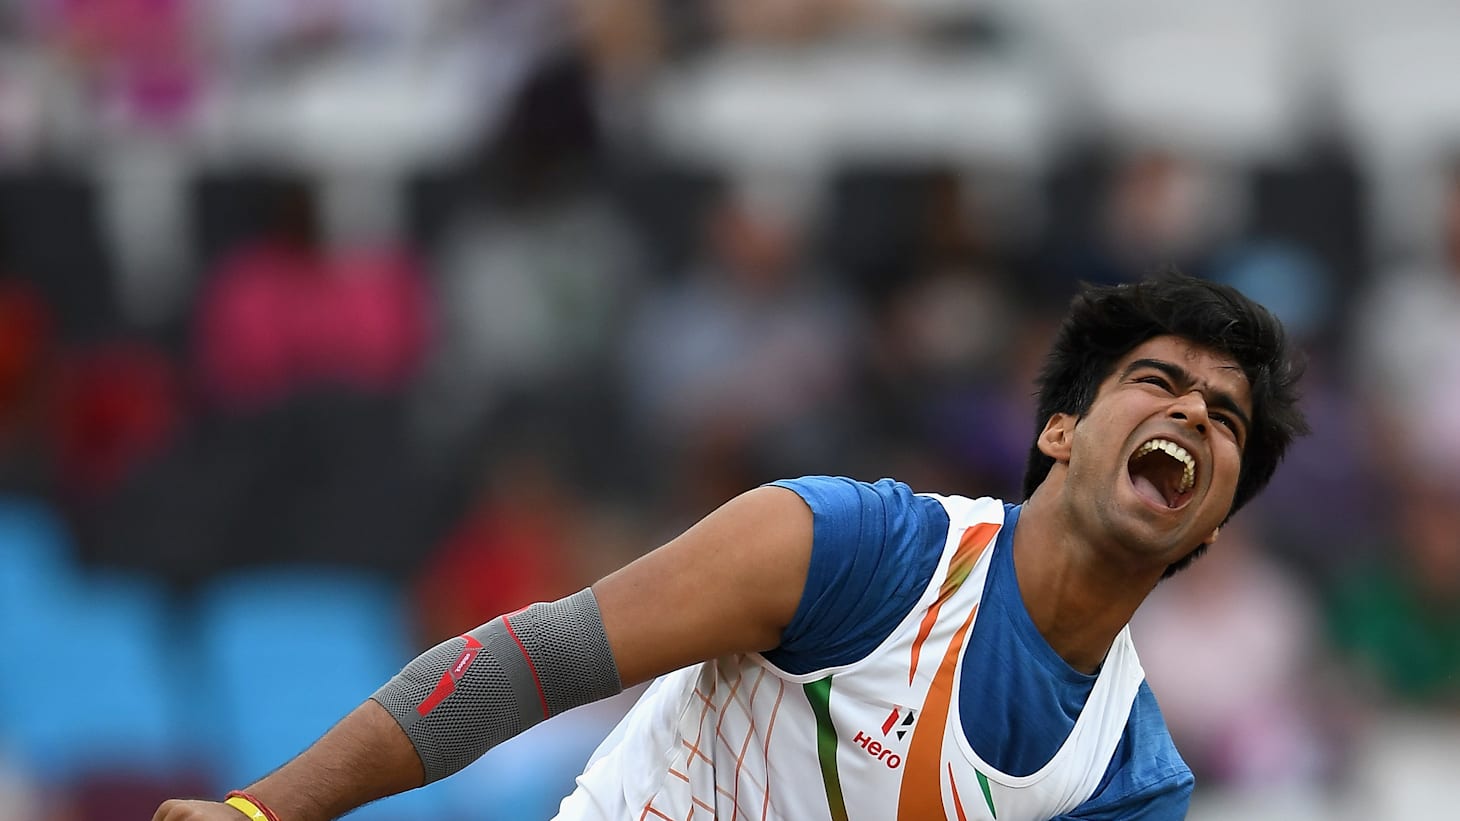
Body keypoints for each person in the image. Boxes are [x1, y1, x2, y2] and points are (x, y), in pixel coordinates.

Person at [154, 273, 1307, 821]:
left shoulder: (1125, 779)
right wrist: (263, 812)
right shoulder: (859, 548)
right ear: (1057, 430)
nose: (1192, 411)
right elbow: (531, 659)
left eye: (1224, 416)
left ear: (1213, 521)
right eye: (1156, 380)